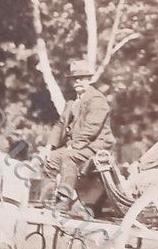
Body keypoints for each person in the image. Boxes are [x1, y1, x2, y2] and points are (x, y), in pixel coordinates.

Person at [42, 60, 115, 216]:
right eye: (75, 79)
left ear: (89, 79)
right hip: (78, 146)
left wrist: (74, 146)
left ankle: (64, 200)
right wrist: (49, 147)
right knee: (52, 158)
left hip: (96, 146)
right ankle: (46, 199)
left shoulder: (97, 100)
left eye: (82, 78)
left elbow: (91, 129)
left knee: (69, 156)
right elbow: (60, 124)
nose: (78, 82)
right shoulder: (72, 102)